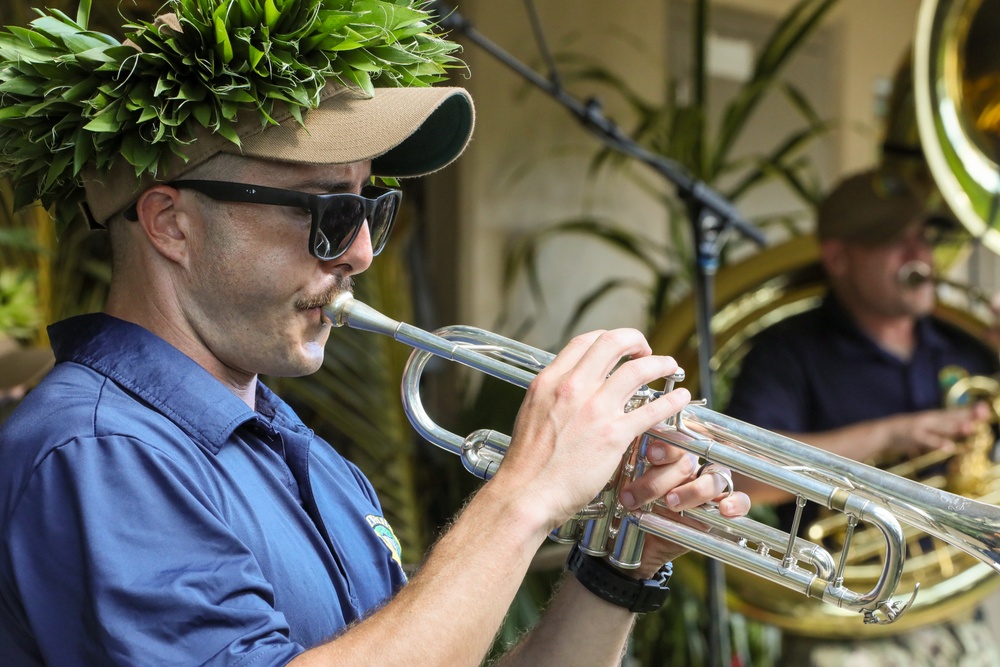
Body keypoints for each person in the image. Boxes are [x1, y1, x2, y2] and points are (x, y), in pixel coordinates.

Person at [0, 3, 750, 665]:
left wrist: (614, 571)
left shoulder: (302, 454)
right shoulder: (100, 452)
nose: (360, 251)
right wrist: (526, 491)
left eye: (369, 208)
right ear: (172, 223)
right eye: (327, 212)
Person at [726, 168, 1000, 666]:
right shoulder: (786, 351)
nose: (919, 255)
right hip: (847, 627)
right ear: (839, 257)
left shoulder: (966, 346)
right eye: (894, 241)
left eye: (921, 236)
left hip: (972, 612)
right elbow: (742, 474)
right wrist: (888, 435)